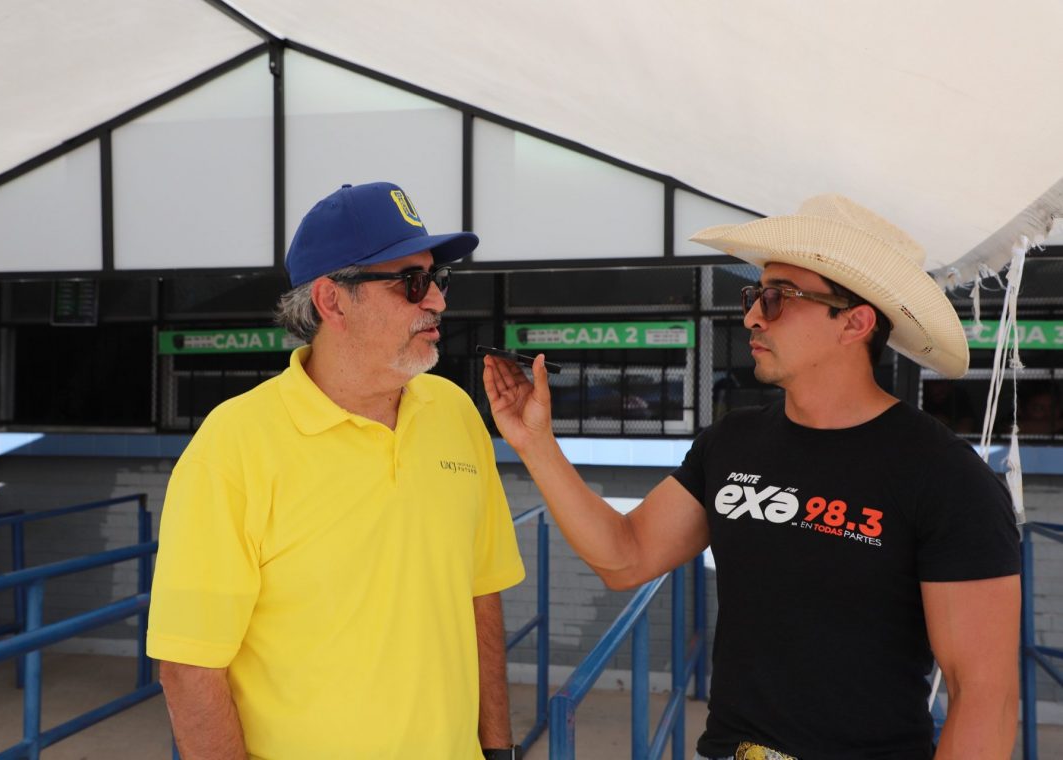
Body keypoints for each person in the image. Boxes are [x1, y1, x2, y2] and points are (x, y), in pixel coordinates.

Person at [484, 195, 1020, 760]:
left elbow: (984, 696)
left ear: (855, 322)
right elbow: (626, 556)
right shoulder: (732, 442)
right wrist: (536, 444)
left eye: (778, 297)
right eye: (755, 296)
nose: (753, 317)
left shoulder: (945, 476)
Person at [148, 181, 526, 759]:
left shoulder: (454, 412)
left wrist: (497, 750)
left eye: (439, 278)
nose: (437, 301)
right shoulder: (233, 446)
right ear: (332, 300)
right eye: (412, 281)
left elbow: (481, 594)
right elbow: (189, 667)